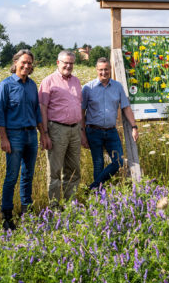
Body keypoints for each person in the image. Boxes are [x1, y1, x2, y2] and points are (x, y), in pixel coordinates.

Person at [0, 49, 47, 230]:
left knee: (28, 175)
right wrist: (4, 139)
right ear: (15, 62)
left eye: (30, 63)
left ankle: (27, 213)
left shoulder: (32, 85)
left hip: (31, 134)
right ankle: (7, 217)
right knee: (11, 176)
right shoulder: (6, 85)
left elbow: (37, 112)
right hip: (14, 135)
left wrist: (43, 134)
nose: (27, 65)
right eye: (23, 62)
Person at [39, 50, 87, 209]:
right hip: (56, 129)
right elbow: (42, 109)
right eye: (65, 62)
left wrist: (81, 130)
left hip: (74, 129)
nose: (68, 66)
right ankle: (53, 207)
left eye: (71, 63)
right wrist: (44, 133)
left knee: (73, 170)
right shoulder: (48, 81)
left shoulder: (76, 81)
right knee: (55, 171)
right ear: (58, 63)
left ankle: (70, 205)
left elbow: (79, 107)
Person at [82, 57, 139, 190]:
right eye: (101, 70)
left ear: (110, 70)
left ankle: (93, 188)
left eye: (106, 69)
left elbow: (126, 107)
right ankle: (98, 197)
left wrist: (134, 126)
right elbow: (81, 111)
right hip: (93, 131)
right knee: (98, 163)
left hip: (111, 131)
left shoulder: (118, 86)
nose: (103, 72)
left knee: (118, 161)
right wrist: (82, 133)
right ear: (96, 70)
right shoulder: (87, 88)